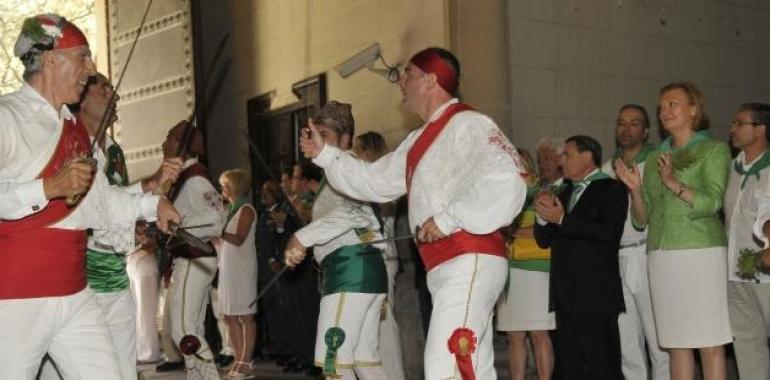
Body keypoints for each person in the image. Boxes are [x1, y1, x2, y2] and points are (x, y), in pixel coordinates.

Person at [300, 48, 526, 379]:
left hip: (469, 256)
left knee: (448, 365)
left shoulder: (470, 124)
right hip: (446, 265)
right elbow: (374, 181)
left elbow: (511, 179)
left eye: (408, 74)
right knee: (468, 366)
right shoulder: (419, 139)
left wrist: (447, 219)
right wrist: (326, 155)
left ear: (432, 79)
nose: (400, 81)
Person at [0, 14, 179, 380]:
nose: (91, 67)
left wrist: (152, 204)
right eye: (81, 55)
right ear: (50, 59)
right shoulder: (6, 117)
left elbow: (103, 203)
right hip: (16, 298)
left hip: (76, 292)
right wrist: (48, 188)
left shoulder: (76, 128)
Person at [615, 82, 732, 380]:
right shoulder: (654, 158)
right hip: (661, 255)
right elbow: (642, 221)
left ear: (694, 109)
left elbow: (712, 201)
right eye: (661, 107)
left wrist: (673, 183)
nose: (664, 111)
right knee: (676, 343)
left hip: (700, 252)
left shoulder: (714, 149)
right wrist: (636, 191)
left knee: (709, 342)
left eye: (672, 104)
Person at [285, 101, 389, 380]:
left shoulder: (348, 166)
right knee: (364, 360)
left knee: (334, 361)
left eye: (325, 136)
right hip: (361, 269)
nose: (317, 143)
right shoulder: (339, 170)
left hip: (350, 269)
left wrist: (301, 237)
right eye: (314, 135)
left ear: (345, 139)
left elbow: (352, 212)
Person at [534, 135, 627, 379]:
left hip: (596, 291)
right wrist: (542, 215)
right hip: (566, 291)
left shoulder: (612, 188)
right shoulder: (563, 191)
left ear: (587, 157)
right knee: (568, 362)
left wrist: (563, 219)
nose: (561, 161)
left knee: (600, 360)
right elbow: (544, 240)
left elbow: (608, 233)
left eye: (567, 155)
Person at [601, 104, 669, 380]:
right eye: (621, 122)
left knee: (658, 337)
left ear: (645, 130)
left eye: (633, 123)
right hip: (615, 257)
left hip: (646, 253)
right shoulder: (608, 167)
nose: (626, 129)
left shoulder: (657, 161)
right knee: (626, 338)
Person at [163, 122, 227, 379]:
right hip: (190, 258)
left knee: (184, 331)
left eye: (169, 138)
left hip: (194, 257)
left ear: (182, 145)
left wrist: (177, 228)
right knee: (192, 328)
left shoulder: (196, 177)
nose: (163, 144)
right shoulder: (187, 176)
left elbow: (216, 219)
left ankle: (209, 376)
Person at [496, 148, 555, 380]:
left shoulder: (543, 190)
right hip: (508, 271)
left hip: (536, 271)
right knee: (514, 336)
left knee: (539, 334)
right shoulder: (500, 193)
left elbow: (547, 229)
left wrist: (511, 231)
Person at [352, 131, 406, 380]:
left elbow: (381, 213)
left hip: (383, 258)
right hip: (366, 258)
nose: (355, 155)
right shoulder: (366, 179)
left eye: (358, 150)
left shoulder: (384, 180)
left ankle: (392, 374)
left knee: (383, 320)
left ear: (368, 151)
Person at [724, 103, 770, 379]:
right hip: (736, 271)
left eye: (740, 123)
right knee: (746, 343)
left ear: (761, 128)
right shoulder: (731, 167)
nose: (733, 129)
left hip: (767, 273)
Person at [214, 169, 258, 379]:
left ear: (234, 186)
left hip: (242, 268)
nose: (221, 189)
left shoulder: (246, 209)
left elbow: (239, 238)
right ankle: (238, 359)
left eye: (224, 185)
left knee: (246, 316)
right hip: (228, 269)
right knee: (230, 316)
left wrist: (219, 232)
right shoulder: (230, 209)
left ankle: (246, 361)